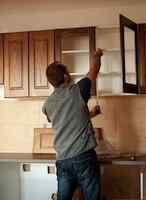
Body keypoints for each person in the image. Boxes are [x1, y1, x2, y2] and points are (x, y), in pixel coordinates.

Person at [42, 48, 103, 200]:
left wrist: (91, 115)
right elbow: (93, 71)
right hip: (84, 157)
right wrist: (97, 55)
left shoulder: (47, 105)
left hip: (63, 160)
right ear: (65, 76)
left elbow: (66, 119)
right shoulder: (78, 91)